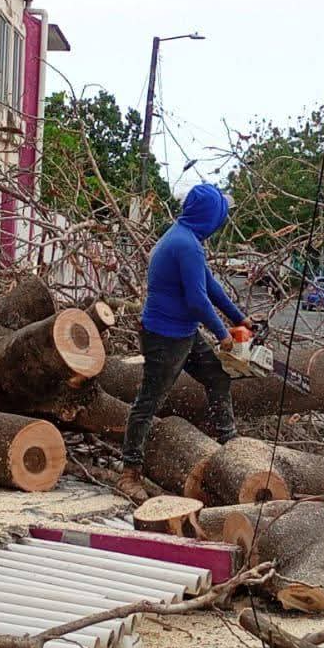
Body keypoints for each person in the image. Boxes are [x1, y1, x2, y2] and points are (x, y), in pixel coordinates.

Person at [121, 185, 253, 492]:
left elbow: (209, 285)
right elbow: (196, 300)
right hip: (165, 336)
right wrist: (222, 334)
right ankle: (129, 471)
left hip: (184, 332)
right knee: (148, 401)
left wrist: (239, 319)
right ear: (210, 216)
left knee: (217, 376)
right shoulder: (186, 245)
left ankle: (229, 440)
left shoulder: (185, 237)